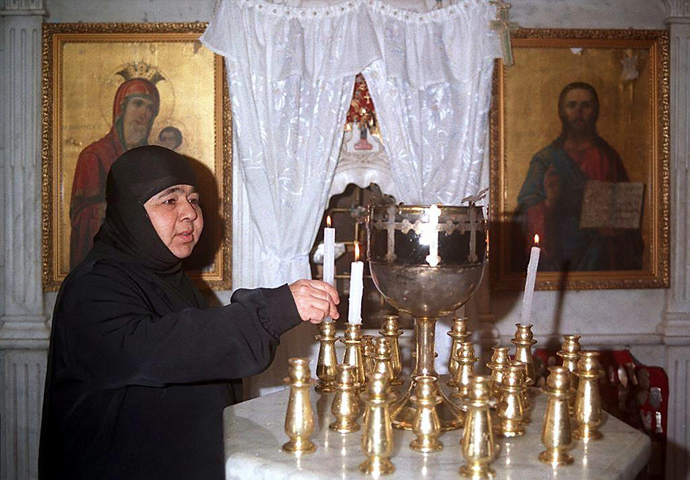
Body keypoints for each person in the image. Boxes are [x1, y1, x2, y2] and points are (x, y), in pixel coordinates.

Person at [39, 146, 340, 479]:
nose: (191, 214)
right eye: (170, 201)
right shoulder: (94, 285)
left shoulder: (169, 279)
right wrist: (272, 310)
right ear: (129, 212)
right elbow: (159, 349)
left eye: (194, 200)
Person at [515, 82, 644, 272]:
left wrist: (614, 223)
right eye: (572, 105)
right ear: (562, 111)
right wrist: (549, 202)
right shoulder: (545, 160)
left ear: (595, 111)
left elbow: (625, 216)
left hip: (601, 259)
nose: (579, 111)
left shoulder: (608, 157)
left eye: (586, 105)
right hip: (559, 255)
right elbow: (525, 211)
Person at [69, 78, 160, 269]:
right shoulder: (94, 155)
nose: (145, 113)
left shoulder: (151, 159)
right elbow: (79, 216)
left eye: (150, 108)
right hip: (105, 263)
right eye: (138, 104)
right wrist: (107, 210)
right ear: (121, 109)